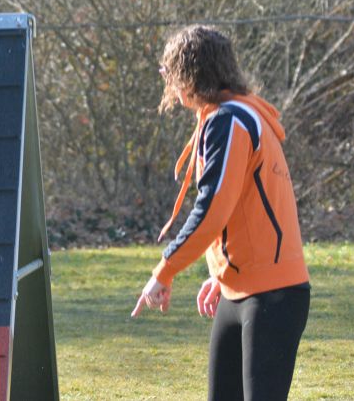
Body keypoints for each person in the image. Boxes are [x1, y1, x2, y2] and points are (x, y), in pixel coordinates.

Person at [130, 25, 310, 401]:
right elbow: (239, 206)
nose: (170, 84)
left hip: (272, 295)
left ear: (188, 73)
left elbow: (212, 207)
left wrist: (164, 271)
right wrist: (221, 273)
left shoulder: (230, 121)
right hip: (241, 291)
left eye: (169, 72)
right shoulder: (233, 117)